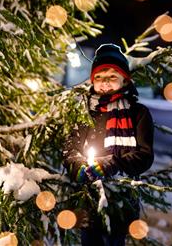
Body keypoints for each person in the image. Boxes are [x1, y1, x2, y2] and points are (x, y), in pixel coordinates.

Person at [62, 43, 154, 246]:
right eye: (99, 78)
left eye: (112, 77)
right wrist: (77, 166)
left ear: (125, 79)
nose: (105, 83)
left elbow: (144, 155)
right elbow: (70, 148)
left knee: (115, 241)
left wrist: (112, 164)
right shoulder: (85, 110)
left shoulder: (137, 112)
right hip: (89, 195)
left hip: (121, 196)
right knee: (90, 240)